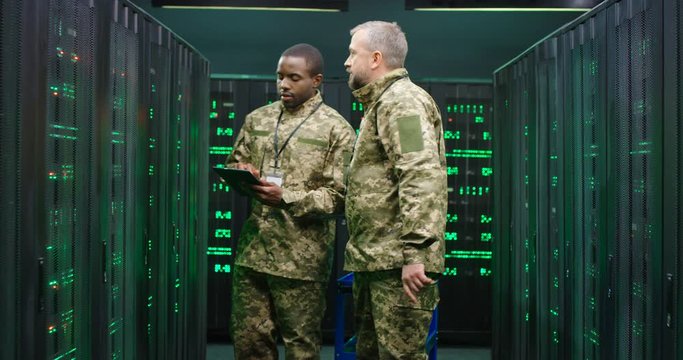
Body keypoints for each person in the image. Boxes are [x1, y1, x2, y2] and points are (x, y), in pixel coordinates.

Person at [226, 43, 355, 359]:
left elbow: (340, 198)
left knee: (301, 349)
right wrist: (241, 171)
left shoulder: (336, 130)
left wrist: (287, 198)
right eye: (280, 76)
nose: (283, 84)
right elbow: (234, 163)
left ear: (316, 80)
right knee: (249, 344)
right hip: (253, 253)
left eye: (293, 77)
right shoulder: (258, 120)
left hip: (301, 262)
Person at [343, 21, 447, 359]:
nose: (346, 62)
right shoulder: (382, 102)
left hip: (398, 264)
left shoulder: (402, 103)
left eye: (352, 54)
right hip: (377, 261)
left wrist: (415, 254)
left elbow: (420, 174)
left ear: (375, 58)